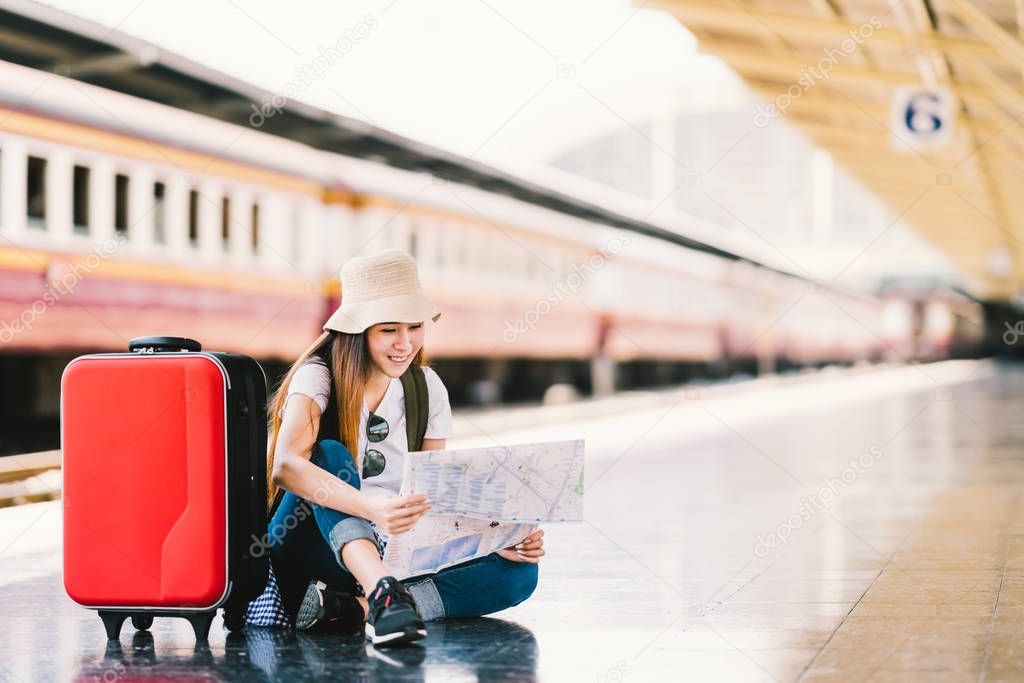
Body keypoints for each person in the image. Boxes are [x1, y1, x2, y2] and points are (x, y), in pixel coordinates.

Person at [250, 249, 544, 647]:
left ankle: (353, 609)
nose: (405, 344)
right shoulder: (318, 377)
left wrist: (499, 535)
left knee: (519, 574)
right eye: (388, 330)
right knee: (330, 454)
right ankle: (383, 595)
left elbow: (434, 494)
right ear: (359, 332)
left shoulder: (426, 387)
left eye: (414, 327)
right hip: (313, 544)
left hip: (395, 550)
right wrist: (371, 508)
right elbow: (285, 466)